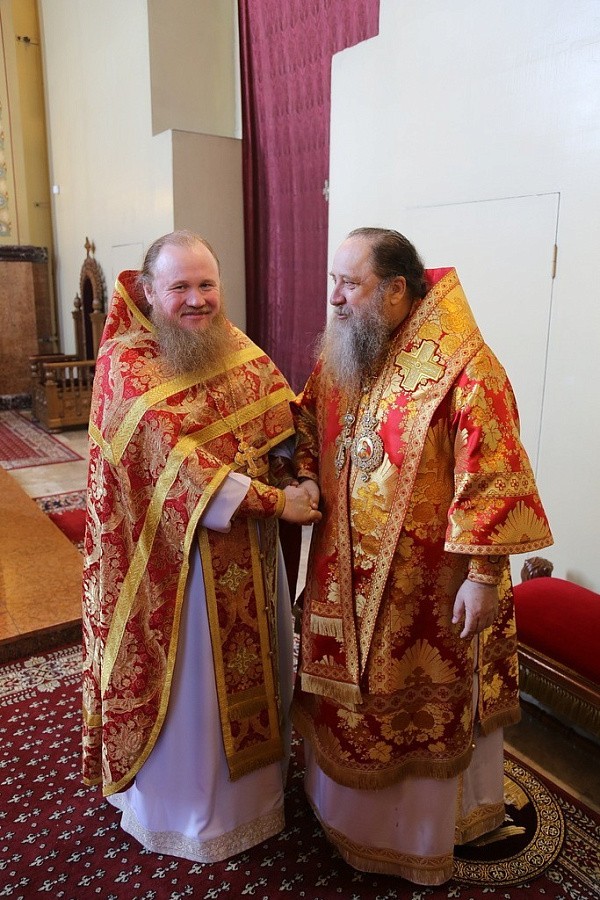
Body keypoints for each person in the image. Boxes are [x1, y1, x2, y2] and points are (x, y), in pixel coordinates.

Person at [291, 227, 553, 885]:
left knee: (419, 709)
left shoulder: (465, 365)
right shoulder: (346, 348)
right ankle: (340, 813)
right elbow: (306, 419)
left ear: (396, 290)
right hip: (341, 573)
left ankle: (420, 836)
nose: (336, 297)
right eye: (333, 282)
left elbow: (493, 472)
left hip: (429, 591)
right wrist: (302, 475)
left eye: (350, 284)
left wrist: (484, 576)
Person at [81, 229, 320, 863]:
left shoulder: (231, 344)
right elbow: (177, 467)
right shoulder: (126, 364)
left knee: (262, 672)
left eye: (207, 284)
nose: (197, 300)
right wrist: (278, 503)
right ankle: (186, 814)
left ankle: (258, 800)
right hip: (176, 565)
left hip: (253, 557)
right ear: (149, 290)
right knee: (195, 698)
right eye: (180, 287)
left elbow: (283, 418)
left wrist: (300, 472)